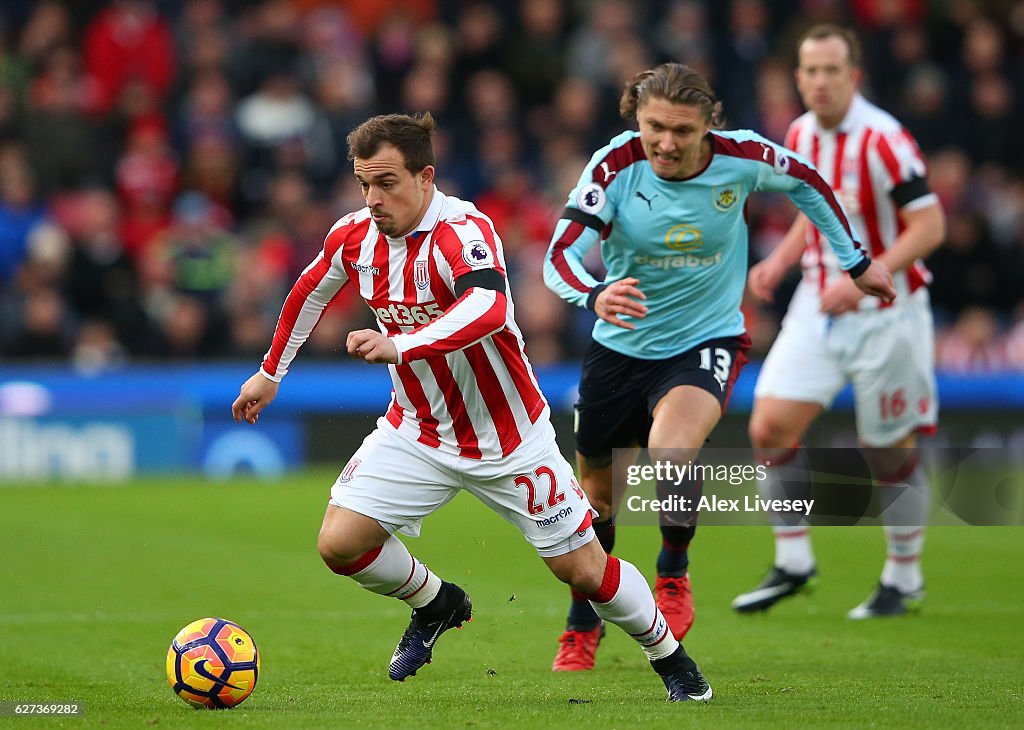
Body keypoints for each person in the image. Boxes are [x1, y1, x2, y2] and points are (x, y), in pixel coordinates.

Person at [231, 112, 713, 702]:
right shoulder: (355, 235)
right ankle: (436, 604)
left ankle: (672, 661)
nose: (372, 198)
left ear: (426, 176)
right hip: (418, 431)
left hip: (509, 438)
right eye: (363, 184)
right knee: (339, 543)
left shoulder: (464, 230)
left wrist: (399, 344)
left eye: (387, 183)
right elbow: (310, 289)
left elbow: (486, 307)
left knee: (585, 572)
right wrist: (269, 372)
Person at [543, 62, 896, 671]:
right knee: (596, 500)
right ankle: (583, 619)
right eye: (655, 126)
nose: (667, 143)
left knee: (671, 447)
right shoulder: (614, 167)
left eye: (683, 130)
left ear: (711, 126)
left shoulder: (743, 157)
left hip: (707, 339)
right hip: (619, 348)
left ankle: (673, 575)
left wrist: (855, 262)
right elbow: (560, 254)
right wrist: (593, 293)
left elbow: (809, 182)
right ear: (637, 118)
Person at [732, 24, 946, 618]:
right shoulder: (800, 133)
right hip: (818, 304)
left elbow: (930, 227)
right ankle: (794, 561)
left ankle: (903, 578)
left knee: (886, 451)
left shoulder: (885, 141)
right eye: (810, 70)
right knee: (769, 425)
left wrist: (867, 275)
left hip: (888, 310)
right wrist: (777, 261)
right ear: (797, 78)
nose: (820, 81)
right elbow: (815, 208)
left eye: (832, 70)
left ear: (853, 76)